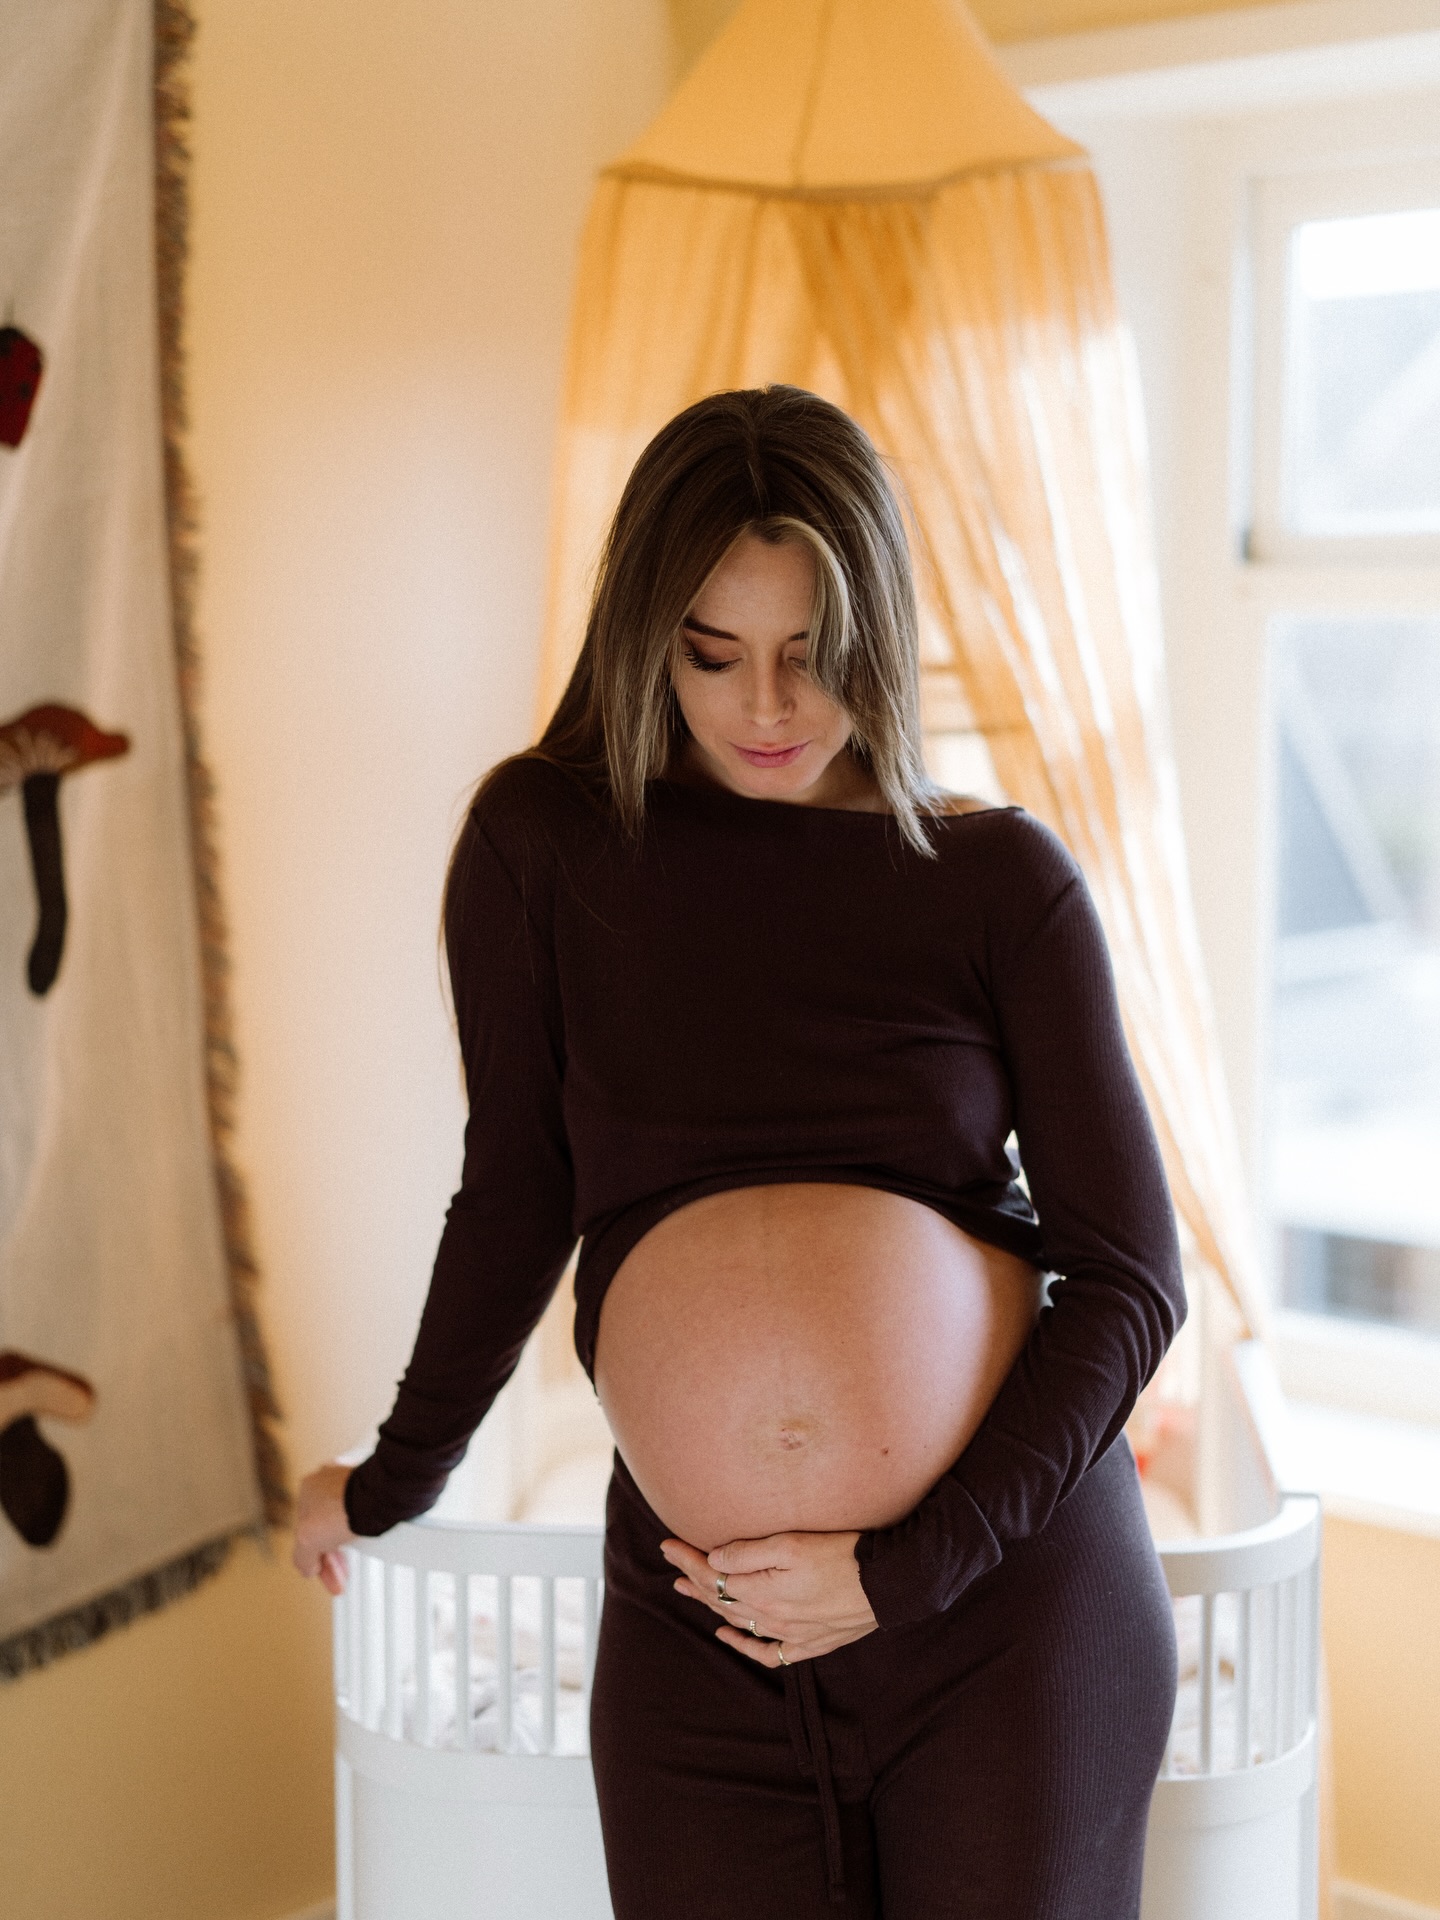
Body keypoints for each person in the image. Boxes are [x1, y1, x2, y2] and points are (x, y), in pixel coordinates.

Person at [294, 385, 1183, 1918]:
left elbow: (1129, 1279)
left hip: (1007, 1613)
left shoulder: (996, 880)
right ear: (646, 634)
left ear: (879, 640)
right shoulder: (540, 846)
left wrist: (910, 1571)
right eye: (711, 653)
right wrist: (390, 1479)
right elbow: (516, 1193)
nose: (766, 705)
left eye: (813, 657)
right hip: (705, 1630)